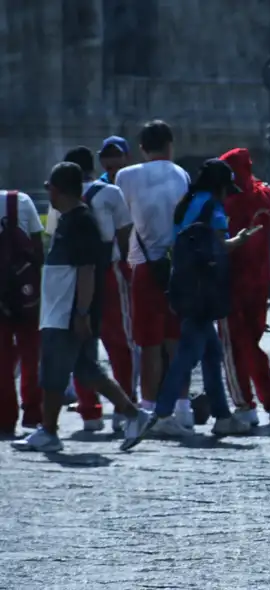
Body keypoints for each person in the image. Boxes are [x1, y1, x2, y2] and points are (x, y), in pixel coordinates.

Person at [12, 162, 152, 452]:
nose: (47, 191)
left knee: (52, 371)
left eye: (50, 186)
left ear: (60, 189)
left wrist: (82, 313)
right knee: (87, 370)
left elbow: (87, 270)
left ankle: (49, 431)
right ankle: (135, 414)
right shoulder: (69, 220)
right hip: (63, 310)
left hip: (67, 312)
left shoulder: (80, 222)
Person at [150, 159, 255, 437]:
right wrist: (241, 240)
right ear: (220, 187)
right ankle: (162, 413)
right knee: (187, 354)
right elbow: (220, 245)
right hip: (204, 290)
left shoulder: (187, 202)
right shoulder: (213, 208)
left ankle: (222, 416)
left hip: (183, 284)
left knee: (211, 353)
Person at [51, 147, 137, 434]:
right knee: (118, 343)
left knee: (78, 344)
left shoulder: (62, 199)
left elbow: (55, 237)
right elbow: (125, 233)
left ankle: (90, 411)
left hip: (72, 275)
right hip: (108, 271)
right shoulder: (110, 193)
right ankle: (126, 408)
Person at [115, 120, 193, 426]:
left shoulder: (126, 175)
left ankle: (148, 407)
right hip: (177, 266)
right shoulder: (181, 174)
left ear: (142, 149)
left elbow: (121, 221)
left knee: (148, 344)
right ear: (170, 145)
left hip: (144, 264)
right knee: (176, 341)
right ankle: (183, 406)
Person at [217, 148, 270, 427]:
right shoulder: (265, 192)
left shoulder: (228, 199)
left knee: (233, 345)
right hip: (261, 278)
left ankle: (245, 404)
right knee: (252, 343)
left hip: (232, 277)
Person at [0, 187, 44, 435]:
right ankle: (33, 413)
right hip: (25, 290)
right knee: (31, 353)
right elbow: (37, 248)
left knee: (2, 360)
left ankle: (5, 417)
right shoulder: (20, 200)